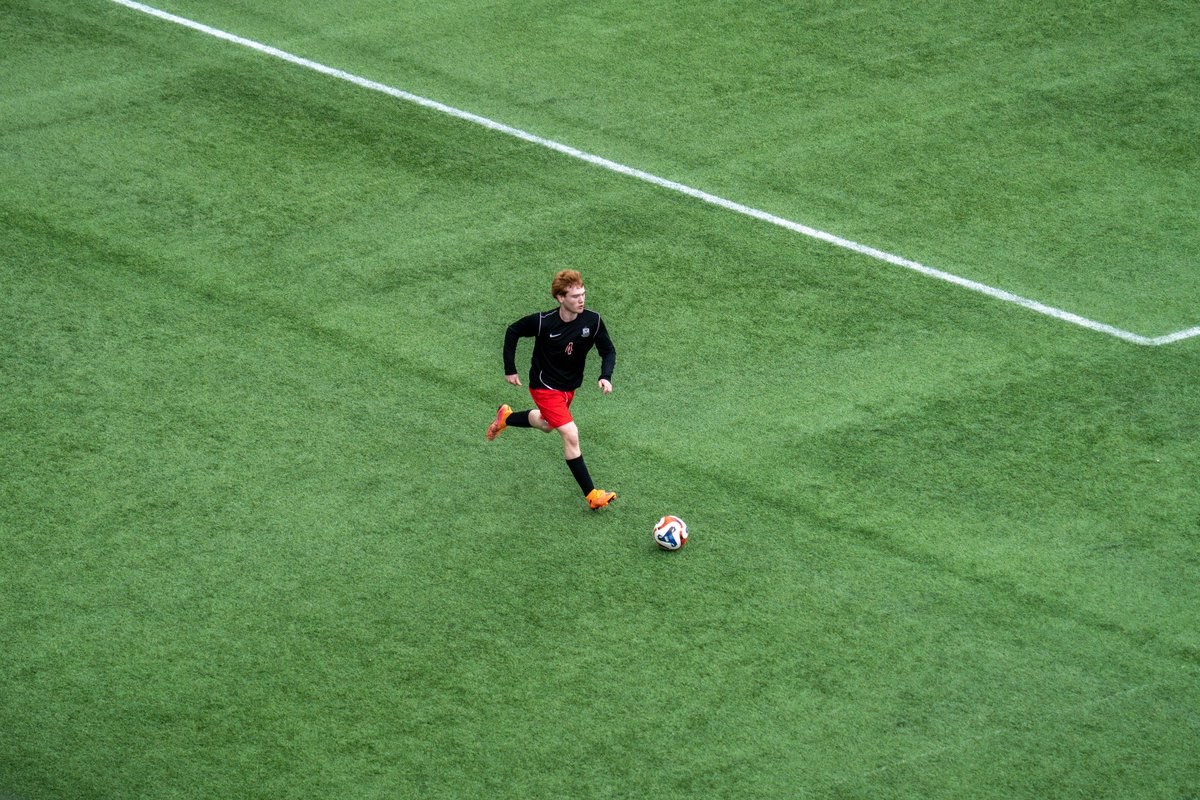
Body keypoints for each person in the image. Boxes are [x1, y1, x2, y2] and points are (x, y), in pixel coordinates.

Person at [486, 269, 617, 510]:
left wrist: (605, 376)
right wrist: (510, 368)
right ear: (560, 298)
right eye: (575, 296)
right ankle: (592, 495)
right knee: (570, 434)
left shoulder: (593, 321)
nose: (581, 300)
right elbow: (512, 331)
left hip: (569, 388)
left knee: (547, 425)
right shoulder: (543, 322)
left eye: (583, 294)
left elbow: (608, 350)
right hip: (545, 387)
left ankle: (506, 417)